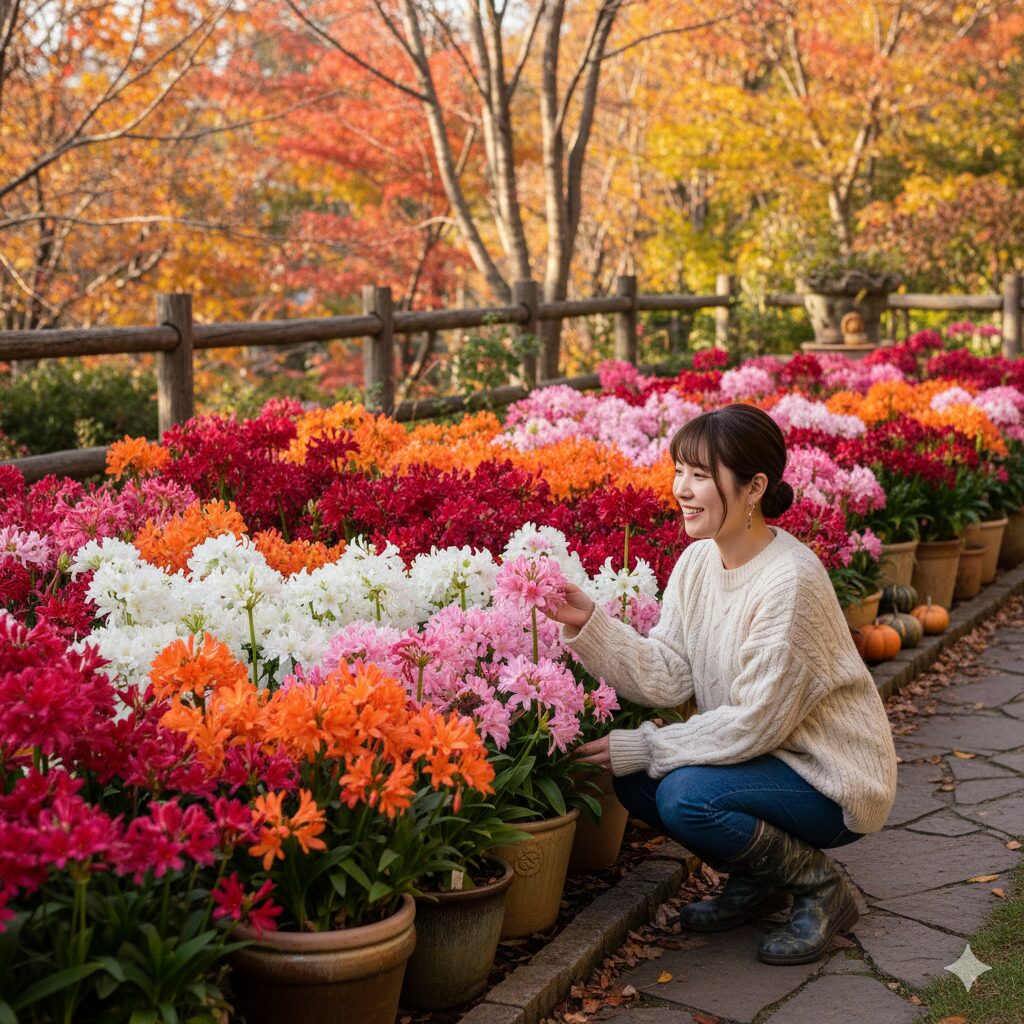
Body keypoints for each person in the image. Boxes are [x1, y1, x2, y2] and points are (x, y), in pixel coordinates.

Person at [543, 403, 898, 966]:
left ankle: (821, 889)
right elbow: (669, 673)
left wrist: (647, 744)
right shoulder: (697, 563)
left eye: (701, 475)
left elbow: (755, 721)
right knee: (638, 780)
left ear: (754, 486)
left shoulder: (790, 582)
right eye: (679, 470)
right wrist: (591, 624)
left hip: (829, 776)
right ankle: (760, 881)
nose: (682, 489)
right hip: (764, 755)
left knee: (684, 795)